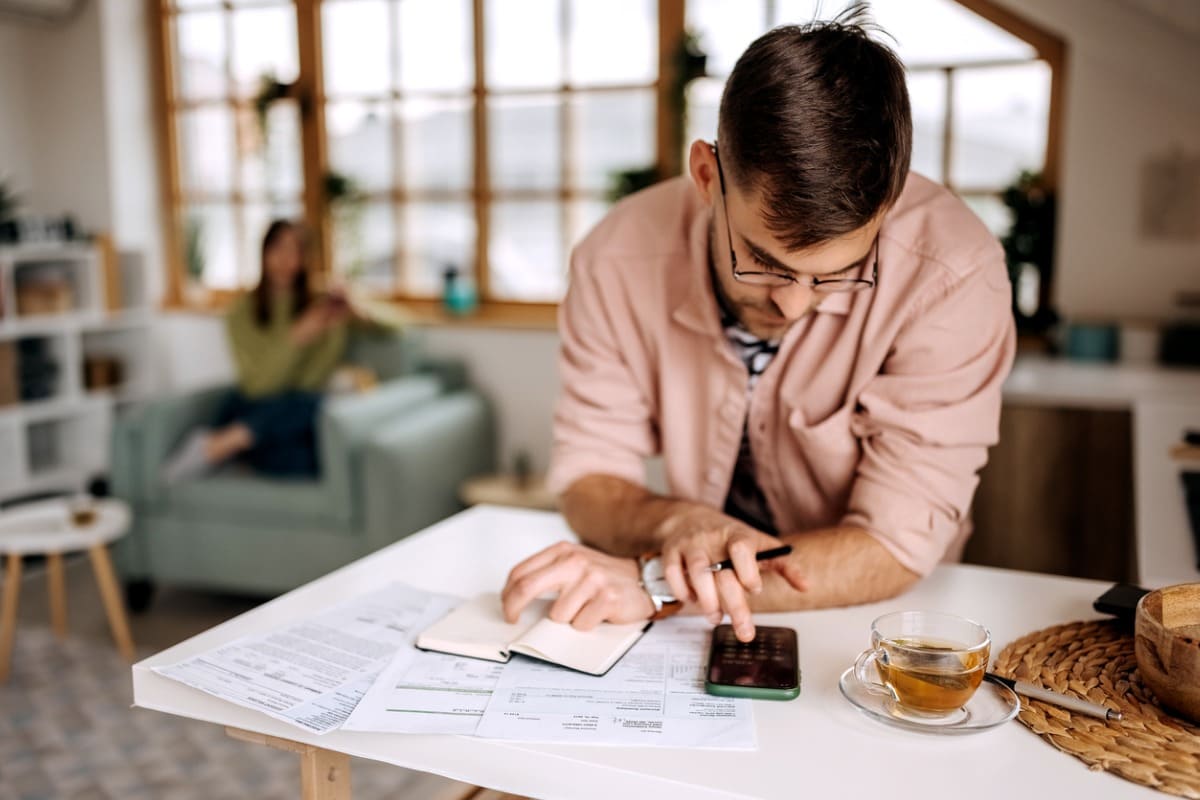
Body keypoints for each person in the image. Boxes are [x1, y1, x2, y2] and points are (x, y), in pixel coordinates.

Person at [501, 9, 1016, 642]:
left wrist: (657, 586)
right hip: (694, 615)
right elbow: (588, 480)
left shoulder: (955, 273)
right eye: (764, 262)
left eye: (838, 273)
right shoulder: (614, 258)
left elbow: (891, 545)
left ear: (888, 206)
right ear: (707, 176)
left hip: (879, 617)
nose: (793, 307)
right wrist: (677, 524)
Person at [163, 219, 352, 483]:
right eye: (279, 248)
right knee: (307, 408)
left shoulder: (318, 305)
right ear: (264, 253)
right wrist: (297, 337)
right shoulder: (241, 311)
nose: (287, 259)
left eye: (296, 250)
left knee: (313, 422)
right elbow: (258, 385)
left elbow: (309, 383)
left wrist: (347, 315)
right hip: (253, 405)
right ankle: (230, 443)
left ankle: (234, 447)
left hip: (295, 412)